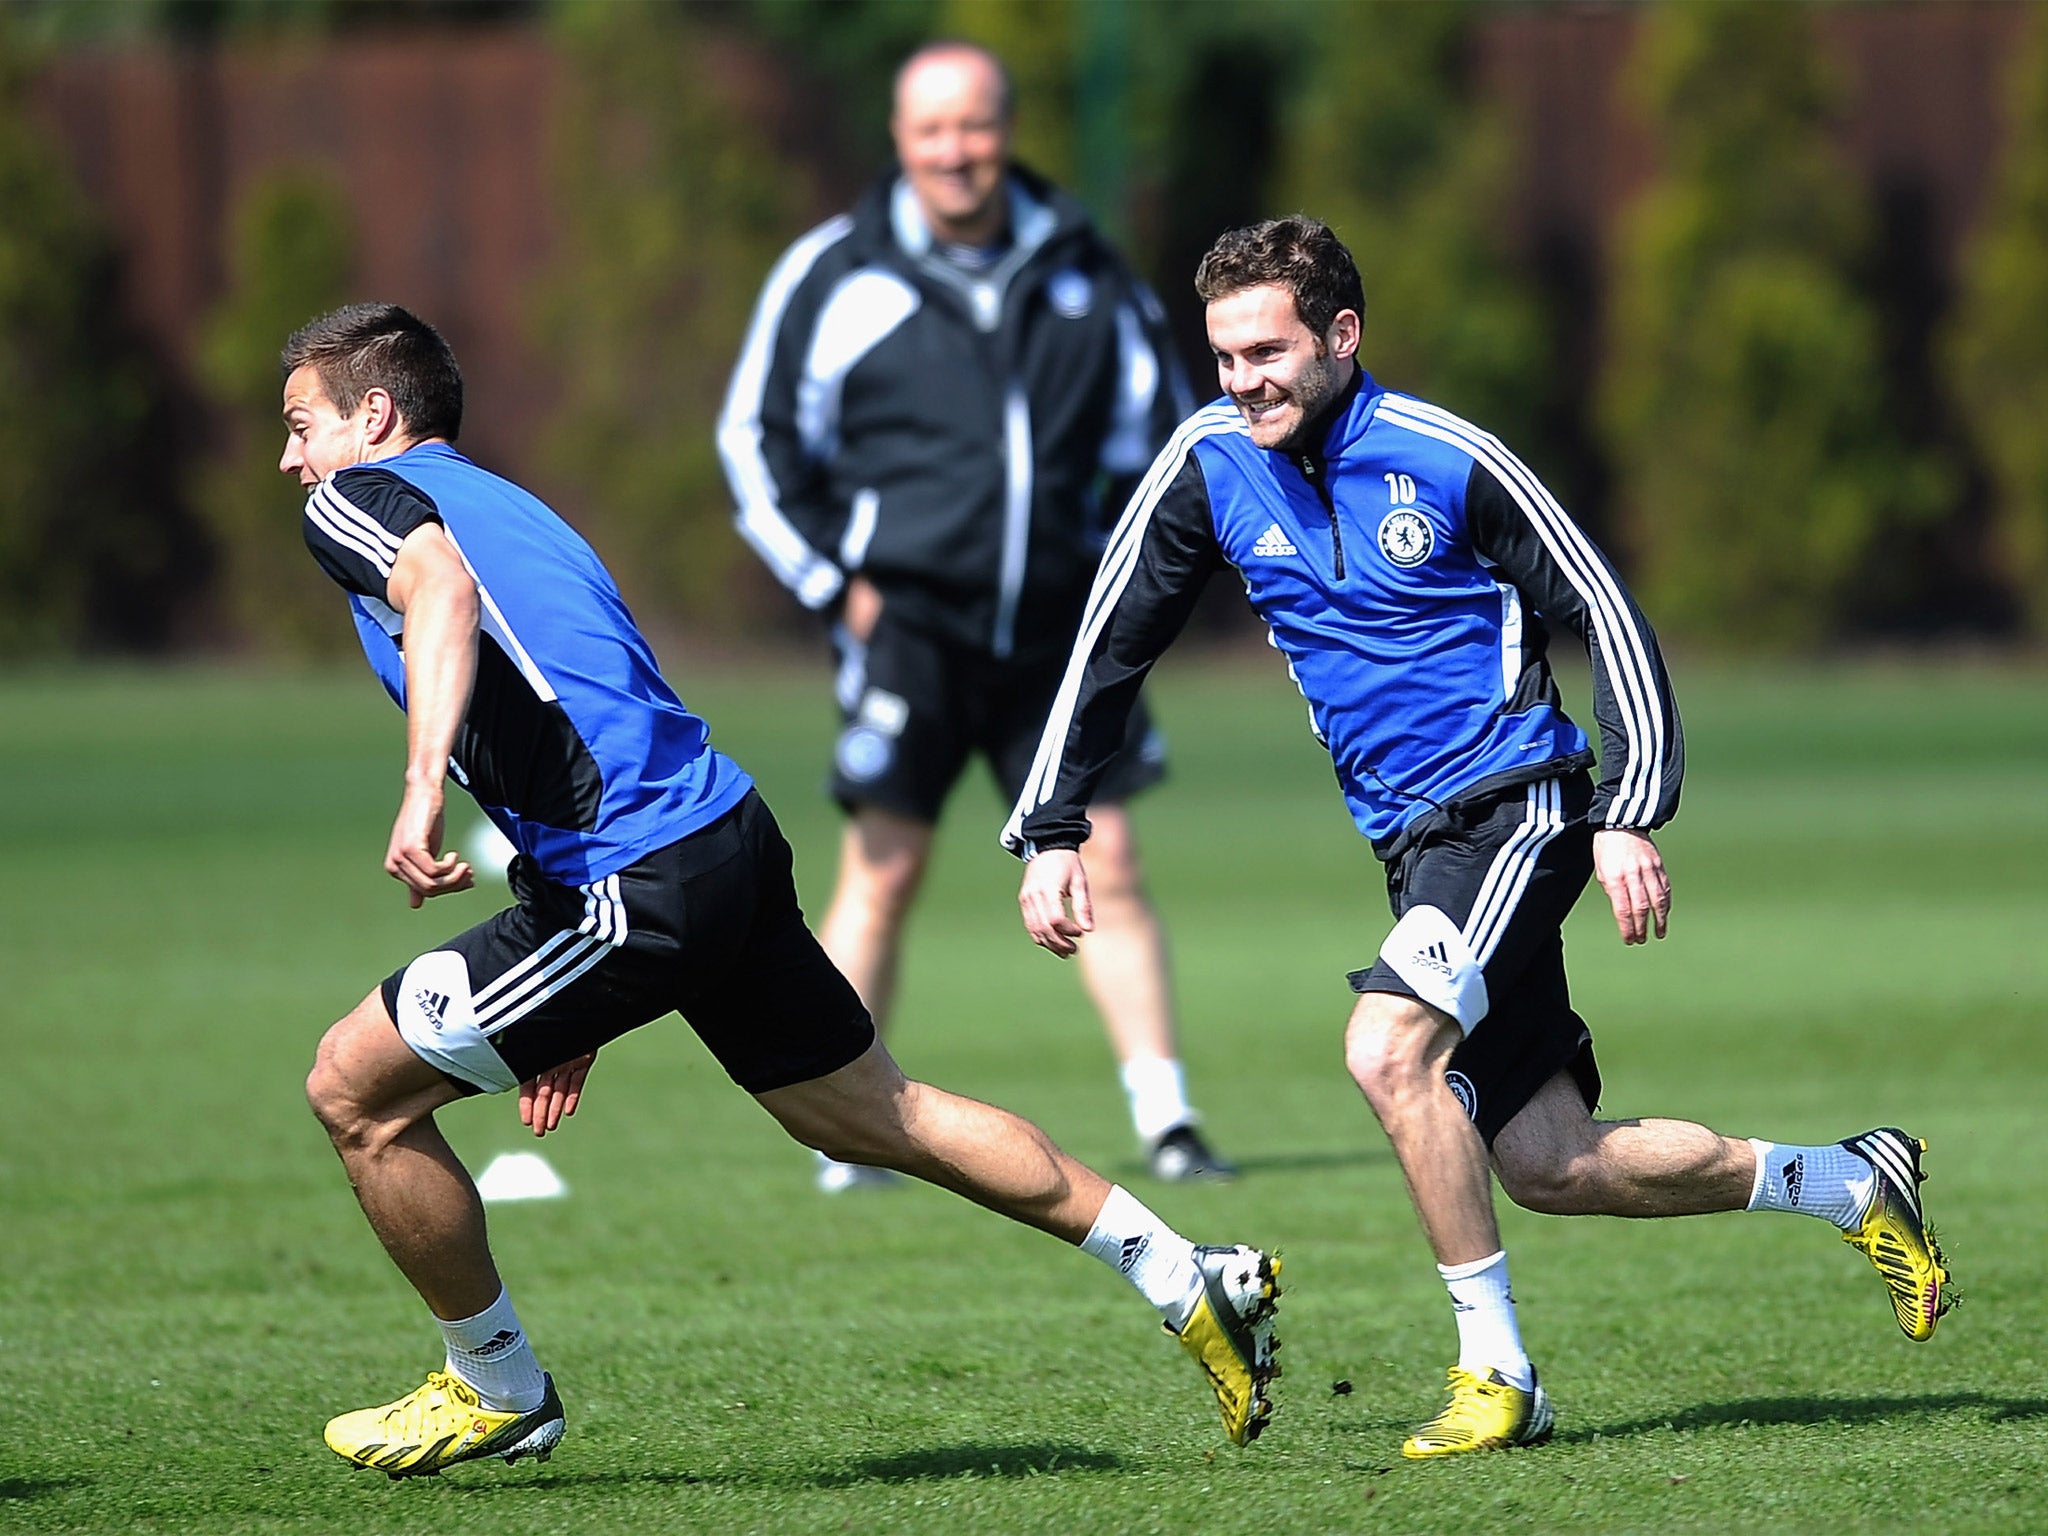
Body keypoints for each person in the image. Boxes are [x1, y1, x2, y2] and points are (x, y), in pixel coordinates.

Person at [1006, 218, 1954, 1460]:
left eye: (1266, 351)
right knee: (1548, 1162)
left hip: (1517, 802)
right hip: (1410, 842)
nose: (1241, 381)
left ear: (1341, 337)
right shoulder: (1205, 464)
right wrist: (1052, 825)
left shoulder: (1445, 457)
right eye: (1223, 356)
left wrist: (1626, 810)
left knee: (1386, 1050)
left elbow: (1606, 615)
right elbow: (1109, 640)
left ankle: (1497, 1375)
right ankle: (1846, 1181)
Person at [281, 302, 1282, 1478]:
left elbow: (438, 597)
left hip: (634, 874)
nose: (291, 457)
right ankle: (1182, 1273)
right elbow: (593, 699)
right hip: (717, 840)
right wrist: (581, 984)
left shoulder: (356, 504)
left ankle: (494, 1387)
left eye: (303, 424)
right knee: (871, 1114)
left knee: (355, 1091)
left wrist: (418, 797)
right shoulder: (517, 507)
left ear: (375, 416)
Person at [718, 41, 1232, 1189]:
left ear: (1005, 131)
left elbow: (1168, 448)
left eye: (975, 126)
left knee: (1112, 857)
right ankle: (844, 1135)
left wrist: (1124, 584)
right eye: (931, 130)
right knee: (883, 868)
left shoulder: (1083, 270)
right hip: (908, 626)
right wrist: (827, 582)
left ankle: (1170, 1119)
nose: (956, 151)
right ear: (900, 141)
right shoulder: (833, 273)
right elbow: (752, 442)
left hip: (1059, 634)